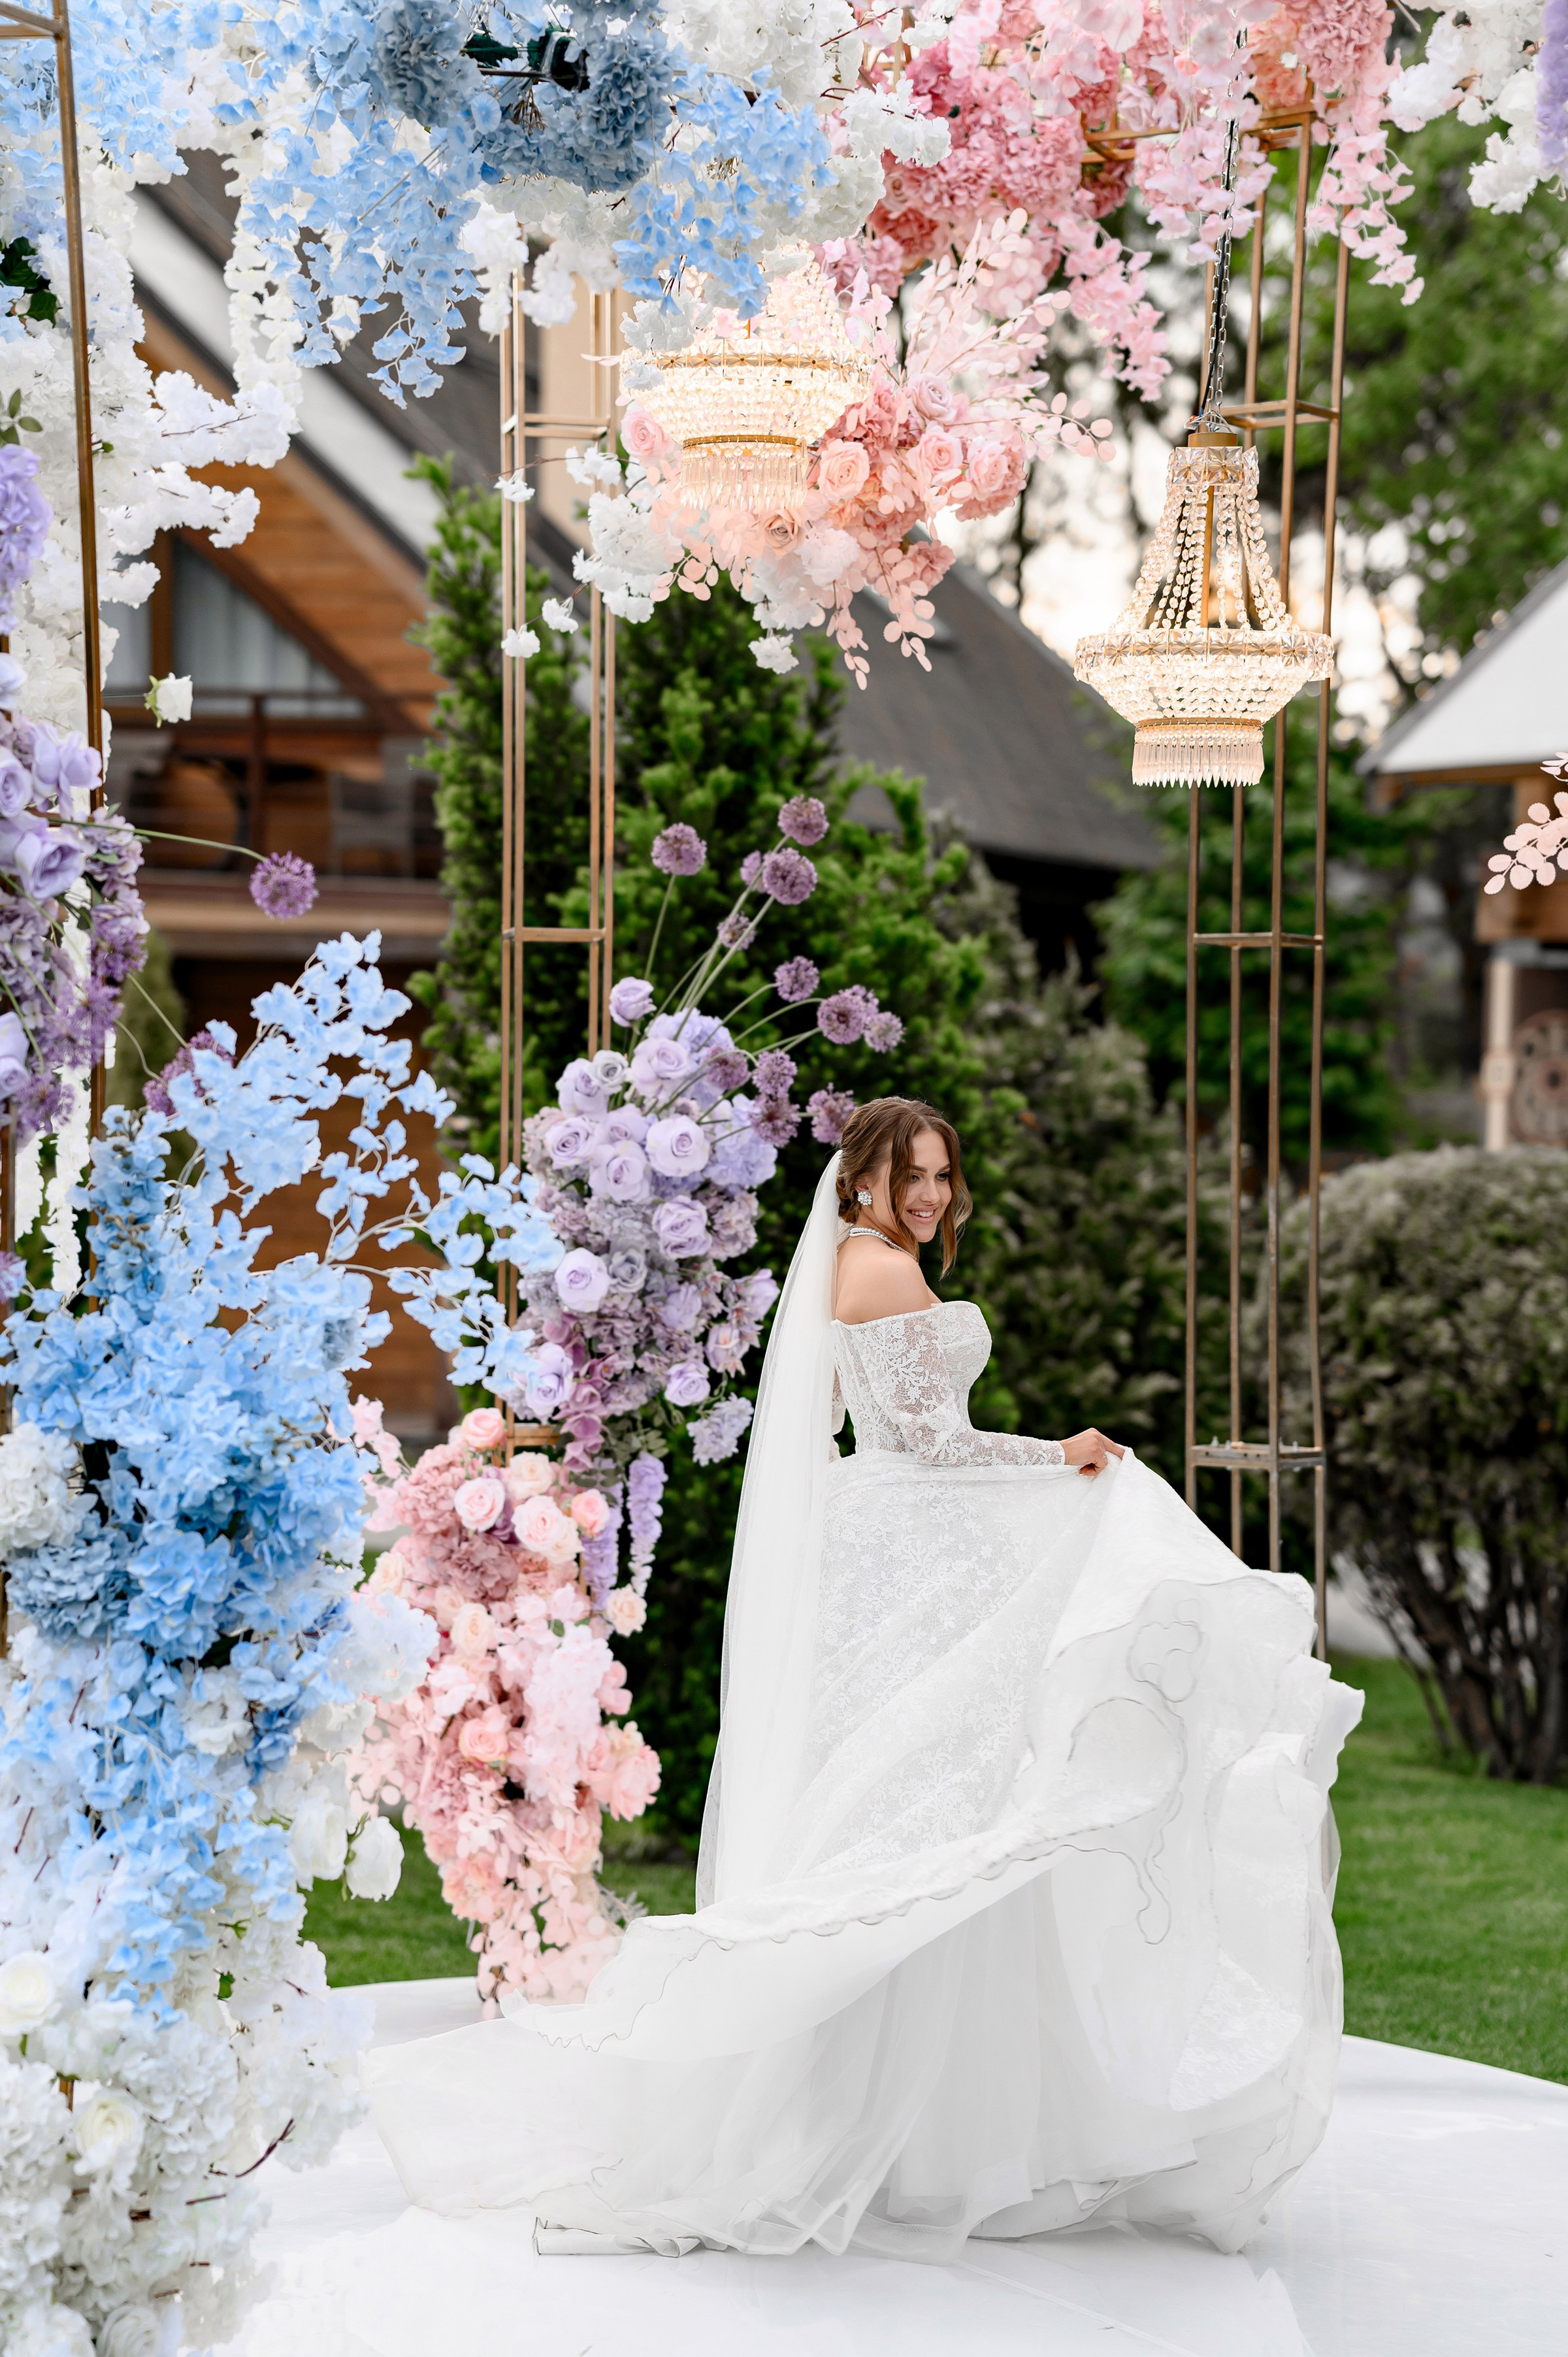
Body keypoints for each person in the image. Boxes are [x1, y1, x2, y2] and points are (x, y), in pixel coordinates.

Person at [367, 1097, 1362, 2261]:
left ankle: (921, 2134)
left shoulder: (864, 1262)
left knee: (929, 1804)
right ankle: (889, 2135)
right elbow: (936, 1445)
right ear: (859, 1182)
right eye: (911, 1175)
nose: (931, 1195)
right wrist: (1060, 1455)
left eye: (942, 1175)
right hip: (913, 1539)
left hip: (903, 1539)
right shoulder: (878, 1268)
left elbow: (896, 1434)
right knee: (922, 1811)